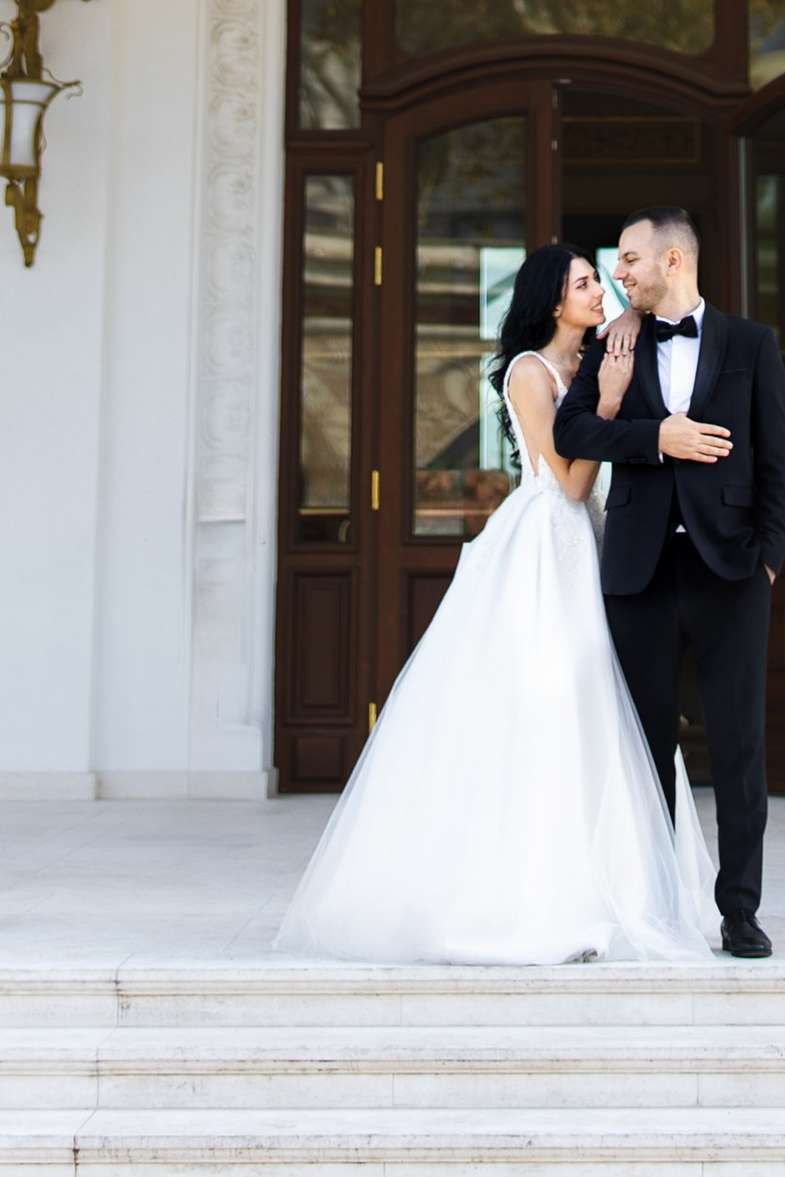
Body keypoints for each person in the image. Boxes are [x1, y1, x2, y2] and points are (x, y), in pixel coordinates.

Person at [274, 241, 720, 964]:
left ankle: (630, 885)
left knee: (617, 708)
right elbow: (569, 483)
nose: (600, 291)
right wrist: (607, 403)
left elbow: (637, 343)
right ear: (553, 300)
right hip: (547, 547)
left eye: (600, 281)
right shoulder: (528, 373)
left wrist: (624, 352)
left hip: (604, 546)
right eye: (584, 283)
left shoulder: (605, 350)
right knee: (550, 703)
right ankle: (536, 894)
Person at [552, 205, 785, 960]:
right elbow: (573, 433)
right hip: (639, 570)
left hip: (730, 572)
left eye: (629, 258)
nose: (619, 272)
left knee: (739, 749)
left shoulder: (753, 345)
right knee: (643, 747)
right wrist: (654, 438)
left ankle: (740, 912)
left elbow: (779, 460)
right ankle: (653, 903)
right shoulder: (614, 345)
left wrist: (768, 559)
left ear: (673, 262)